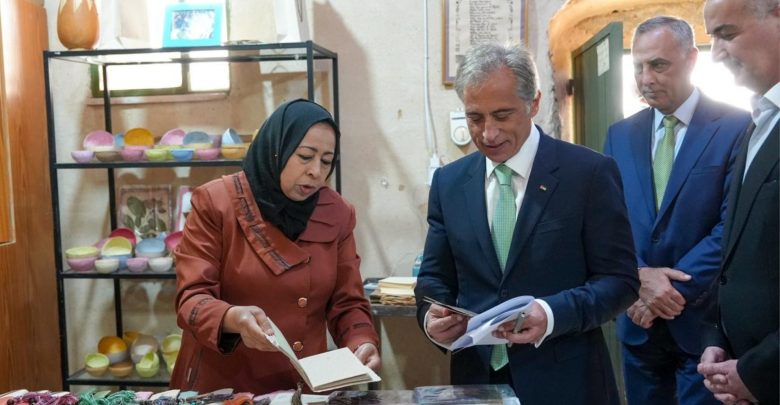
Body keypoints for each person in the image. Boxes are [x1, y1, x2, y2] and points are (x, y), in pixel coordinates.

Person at [414, 42, 639, 405]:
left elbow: (620, 281)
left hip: (566, 382)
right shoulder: (449, 183)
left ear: (534, 103)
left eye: (502, 115)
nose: (488, 133)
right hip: (478, 381)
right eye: (475, 118)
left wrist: (550, 314)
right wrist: (431, 318)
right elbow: (434, 278)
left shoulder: (588, 174)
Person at [170, 99, 381, 394]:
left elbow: (347, 301)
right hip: (225, 385)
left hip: (303, 385)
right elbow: (191, 299)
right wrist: (233, 318)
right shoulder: (216, 203)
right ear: (276, 149)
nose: (316, 171)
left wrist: (361, 340)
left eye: (326, 161)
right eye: (305, 156)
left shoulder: (337, 213)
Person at [603, 16, 750, 405]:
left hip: (704, 326)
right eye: (638, 66)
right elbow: (607, 223)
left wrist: (668, 291)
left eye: (658, 65)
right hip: (637, 321)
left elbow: (732, 225)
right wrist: (637, 280)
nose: (646, 78)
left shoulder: (738, 126)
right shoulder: (620, 135)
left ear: (691, 59)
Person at [698, 0, 780, 404]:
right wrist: (719, 337)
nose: (716, 54)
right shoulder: (761, 120)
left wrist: (757, 373)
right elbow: (741, 253)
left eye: (727, 34)